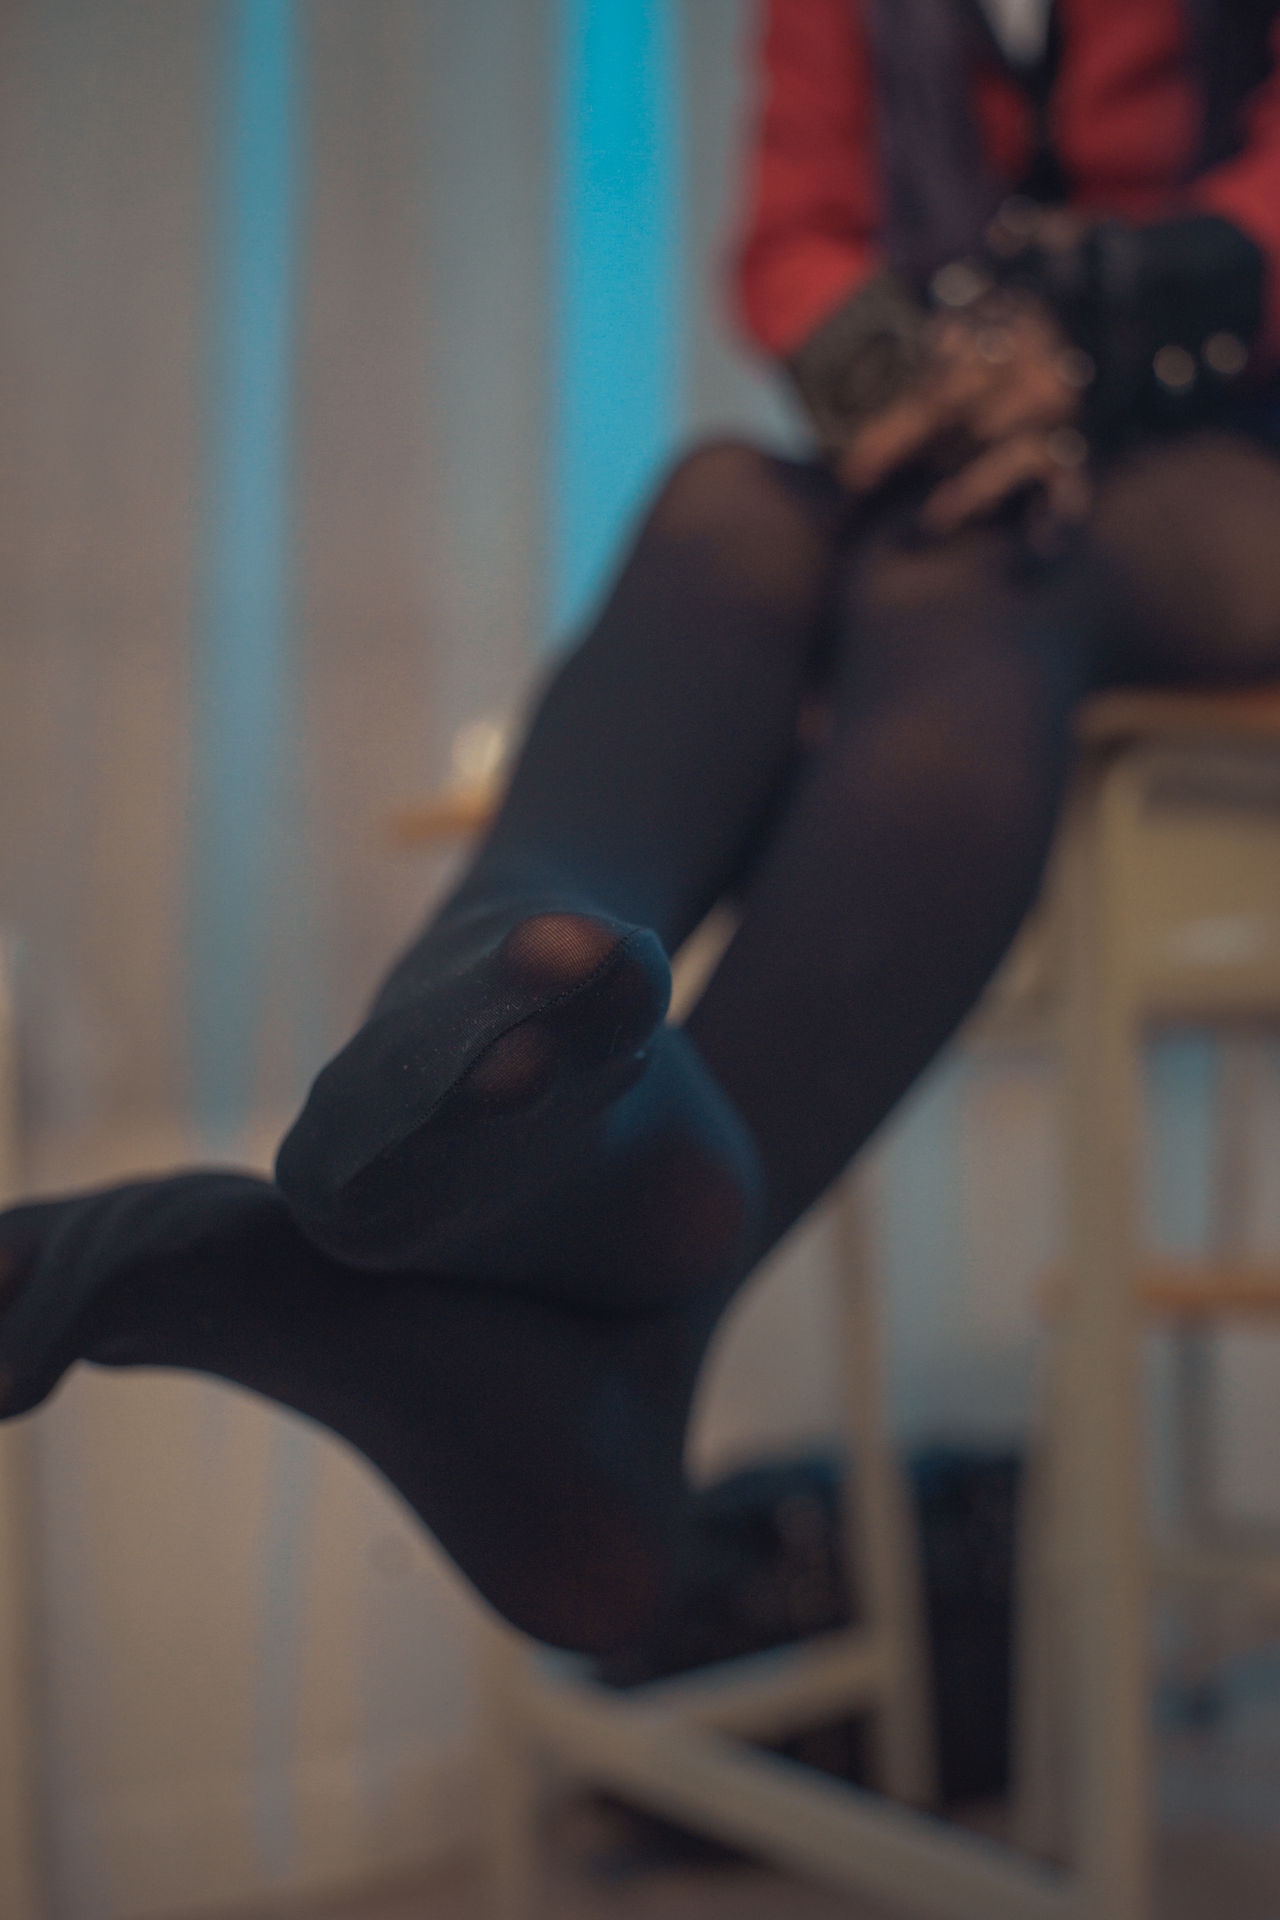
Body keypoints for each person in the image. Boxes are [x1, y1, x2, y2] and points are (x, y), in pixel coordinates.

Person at [3, 0, 1280, 1656]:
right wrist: (914, 381)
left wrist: (1090, 337)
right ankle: (479, 1054)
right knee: (722, 506)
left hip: (1230, 453)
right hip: (963, 427)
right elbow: (800, 233)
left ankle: (606, 1302)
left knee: (973, 567)